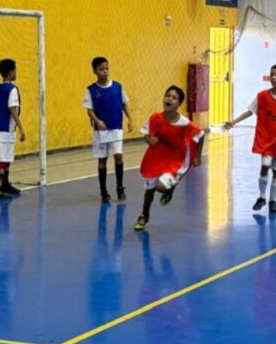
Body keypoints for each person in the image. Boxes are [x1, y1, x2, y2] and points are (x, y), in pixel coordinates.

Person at [223, 64, 276, 214]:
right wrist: (234, 122)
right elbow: (250, 111)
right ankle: (261, 196)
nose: (274, 77)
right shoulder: (262, 96)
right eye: (272, 74)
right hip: (266, 139)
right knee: (265, 165)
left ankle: (272, 200)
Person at [134, 86, 205, 231]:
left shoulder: (184, 123)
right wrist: (149, 140)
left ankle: (169, 187)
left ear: (179, 104)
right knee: (149, 190)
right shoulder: (155, 118)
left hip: (175, 160)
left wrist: (197, 156)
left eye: (174, 97)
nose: (169, 99)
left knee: (160, 187)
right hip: (156, 157)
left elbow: (201, 134)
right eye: (168, 96)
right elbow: (146, 134)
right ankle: (144, 215)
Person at [83, 57, 134, 203]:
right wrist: (97, 121)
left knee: (118, 156)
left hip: (116, 128)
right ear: (95, 71)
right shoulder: (91, 90)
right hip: (101, 131)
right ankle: (103, 191)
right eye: (101, 69)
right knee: (102, 161)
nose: (105, 71)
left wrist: (130, 119)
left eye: (107, 68)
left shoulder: (117, 87)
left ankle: (120, 187)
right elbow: (89, 110)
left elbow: (124, 104)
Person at [0, 59, 26, 198]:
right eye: (15, 70)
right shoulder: (12, 89)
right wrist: (21, 127)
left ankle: (5, 184)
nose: (16, 73)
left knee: (6, 157)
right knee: (2, 159)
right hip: (5, 128)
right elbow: (12, 109)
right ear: (10, 73)